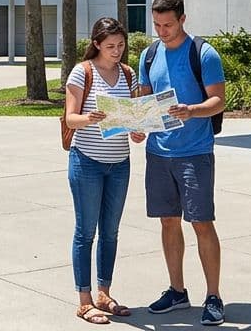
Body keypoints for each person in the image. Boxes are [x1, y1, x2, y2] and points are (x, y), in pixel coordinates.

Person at [137, 0, 227, 326]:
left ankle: (214, 296)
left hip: (194, 153)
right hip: (158, 154)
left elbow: (217, 101)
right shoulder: (148, 55)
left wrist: (192, 110)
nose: (162, 31)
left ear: (183, 19)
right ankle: (177, 291)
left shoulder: (203, 54)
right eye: (157, 24)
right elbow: (145, 103)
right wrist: (136, 126)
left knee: (202, 223)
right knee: (168, 222)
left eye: (168, 25)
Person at [64, 17, 144, 324]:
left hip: (119, 164)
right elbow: (70, 119)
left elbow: (134, 118)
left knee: (110, 232)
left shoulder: (128, 74)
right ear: (97, 44)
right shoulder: (82, 72)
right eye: (110, 46)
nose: (117, 51)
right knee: (86, 232)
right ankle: (84, 301)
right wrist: (89, 118)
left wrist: (137, 131)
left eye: (121, 45)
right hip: (86, 162)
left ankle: (104, 293)